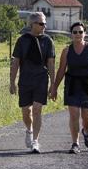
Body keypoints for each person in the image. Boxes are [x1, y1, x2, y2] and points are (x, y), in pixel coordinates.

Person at [50, 22, 88, 154]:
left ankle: (86, 132)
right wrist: (54, 88)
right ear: (71, 34)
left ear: (85, 33)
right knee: (74, 115)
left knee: (87, 118)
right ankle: (75, 143)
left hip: (87, 84)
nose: (78, 34)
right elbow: (61, 70)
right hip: (72, 84)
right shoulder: (67, 51)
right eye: (75, 32)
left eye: (80, 32)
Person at [10, 12, 56, 154]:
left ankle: (35, 141)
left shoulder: (48, 41)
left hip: (41, 79)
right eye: (41, 23)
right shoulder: (22, 40)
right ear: (32, 24)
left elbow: (51, 63)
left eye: (45, 23)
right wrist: (12, 82)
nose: (44, 26)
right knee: (26, 111)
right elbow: (16, 62)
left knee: (37, 109)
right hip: (25, 80)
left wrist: (53, 85)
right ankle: (29, 130)